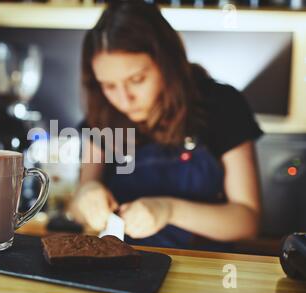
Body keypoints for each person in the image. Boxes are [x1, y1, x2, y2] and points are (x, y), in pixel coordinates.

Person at [66, 1, 263, 251]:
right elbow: (75, 208)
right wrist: (86, 195)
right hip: (126, 266)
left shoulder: (220, 105)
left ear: (166, 63)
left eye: (136, 80)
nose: (124, 100)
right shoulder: (104, 115)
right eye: (109, 85)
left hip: (205, 269)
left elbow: (247, 220)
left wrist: (169, 210)